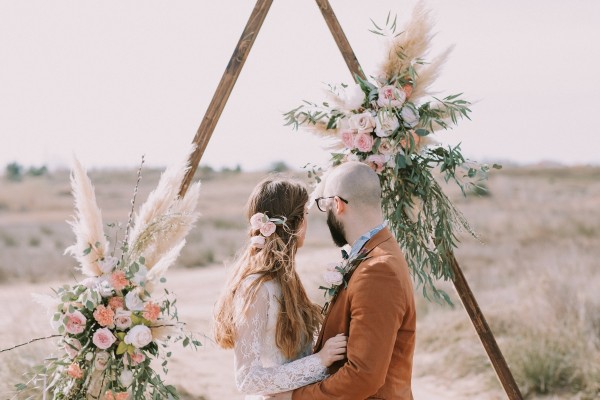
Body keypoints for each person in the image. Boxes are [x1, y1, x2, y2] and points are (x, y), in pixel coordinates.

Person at [267, 161, 416, 400]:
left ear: (337, 204)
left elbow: (363, 376)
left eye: (324, 206)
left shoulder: (378, 270)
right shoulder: (377, 252)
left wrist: (295, 396)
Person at [213, 176, 348, 399]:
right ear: (295, 224)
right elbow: (247, 379)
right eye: (305, 215)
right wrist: (320, 361)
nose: (307, 223)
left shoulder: (285, 279)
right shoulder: (256, 287)